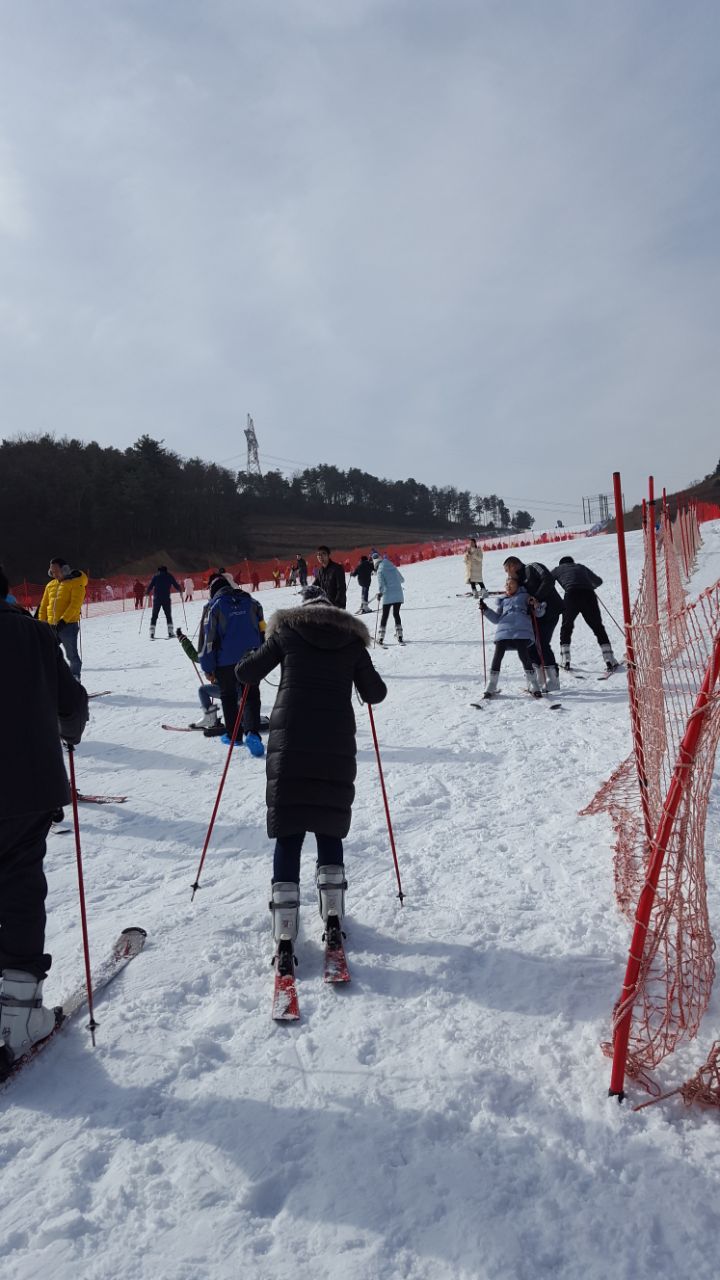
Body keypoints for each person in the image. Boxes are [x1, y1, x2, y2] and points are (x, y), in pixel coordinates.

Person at [234, 585, 387, 959]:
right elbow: (375, 693)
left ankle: (285, 933)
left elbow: (246, 672)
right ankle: (333, 918)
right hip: (335, 744)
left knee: (289, 832)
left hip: (290, 744)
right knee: (328, 824)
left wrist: (254, 652)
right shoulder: (351, 640)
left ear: (302, 609)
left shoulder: (286, 632)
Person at [0, 567, 89, 1072]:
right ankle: (17, 1014)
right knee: (19, 889)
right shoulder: (33, 632)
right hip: (26, 787)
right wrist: (70, 732)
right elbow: (71, 702)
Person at [197, 576, 266, 753]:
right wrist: (262, 656)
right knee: (250, 695)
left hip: (224, 662)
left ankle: (234, 735)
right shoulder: (251, 602)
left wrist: (207, 668)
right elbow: (262, 630)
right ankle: (252, 733)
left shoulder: (213, 607)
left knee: (228, 696)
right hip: (251, 657)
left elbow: (207, 641)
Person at [504, 555, 563, 692]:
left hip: (550, 611)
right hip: (533, 617)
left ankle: (553, 679)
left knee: (542, 643)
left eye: (507, 570)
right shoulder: (517, 580)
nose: (508, 574)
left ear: (513, 566)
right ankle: (538, 678)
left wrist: (536, 597)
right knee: (530, 644)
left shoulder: (532, 567)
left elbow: (548, 580)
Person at [551, 556, 620, 672]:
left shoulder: (558, 569)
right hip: (589, 595)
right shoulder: (580, 567)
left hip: (571, 595)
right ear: (572, 562)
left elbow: (547, 581)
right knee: (598, 627)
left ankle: (565, 660)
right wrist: (590, 586)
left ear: (561, 564)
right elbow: (598, 581)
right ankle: (609, 659)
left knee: (566, 627)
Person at [479, 580, 544, 698]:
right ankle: (491, 684)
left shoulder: (526, 596)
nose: (508, 586)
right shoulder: (503, 601)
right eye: (506, 584)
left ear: (518, 586)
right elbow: (496, 619)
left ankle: (534, 684)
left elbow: (539, 613)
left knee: (524, 655)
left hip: (521, 629)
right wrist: (486, 610)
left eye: (511, 584)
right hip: (504, 630)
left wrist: (535, 605)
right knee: (497, 655)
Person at [37, 557, 89, 680]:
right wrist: (42, 622)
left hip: (68, 626)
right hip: (50, 626)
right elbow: (44, 606)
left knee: (71, 656)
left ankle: (75, 678)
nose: (54, 574)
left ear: (65, 570)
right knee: (47, 653)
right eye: (51, 572)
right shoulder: (50, 585)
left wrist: (63, 621)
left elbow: (75, 605)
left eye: (56, 571)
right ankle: (54, 680)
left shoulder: (76, 583)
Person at [146, 565, 183, 639]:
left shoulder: (155, 576)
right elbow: (175, 584)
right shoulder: (169, 576)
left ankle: (152, 633)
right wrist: (180, 589)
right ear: (166, 570)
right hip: (166, 598)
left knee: (154, 616)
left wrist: (147, 592)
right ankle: (170, 632)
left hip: (157, 599)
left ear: (159, 570)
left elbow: (150, 585)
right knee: (168, 615)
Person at [375, 555, 405, 645]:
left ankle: (381, 637)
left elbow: (382, 585)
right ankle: (400, 635)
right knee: (396, 614)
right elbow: (402, 580)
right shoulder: (393, 567)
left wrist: (380, 593)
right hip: (398, 594)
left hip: (388, 595)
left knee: (385, 615)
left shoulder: (380, 570)